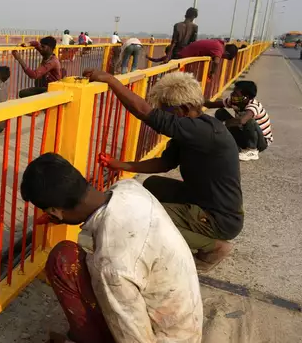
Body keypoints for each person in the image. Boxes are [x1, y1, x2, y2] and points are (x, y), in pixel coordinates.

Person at [21, 153, 203, 343]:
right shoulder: (129, 188)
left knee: (64, 259)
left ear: (55, 212)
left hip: (161, 338)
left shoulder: (112, 266)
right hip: (184, 328)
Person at [82, 68, 243, 272]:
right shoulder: (192, 131)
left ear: (183, 109)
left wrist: (110, 80)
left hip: (218, 219)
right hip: (204, 201)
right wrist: (121, 165)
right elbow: (165, 163)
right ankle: (163, 235)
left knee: (144, 216)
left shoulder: (204, 131)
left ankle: (213, 247)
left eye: (167, 111)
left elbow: (145, 113)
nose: (165, 116)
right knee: (152, 185)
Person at [205, 80, 272, 161]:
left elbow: (242, 121)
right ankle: (230, 144)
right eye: (233, 92)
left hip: (260, 142)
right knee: (220, 112)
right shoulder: (234, 101)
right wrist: (193, 99)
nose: (232, 95)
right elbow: (210, 105)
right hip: (245, 135)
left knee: (249, 121)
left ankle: (252, 151)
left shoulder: (254, 105)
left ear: (246, 97)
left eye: (235, 93)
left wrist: (221, 125)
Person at [148, 39, 238, 78]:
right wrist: (213, 72)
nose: (223, 58)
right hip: (184, 57)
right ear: (227, 53)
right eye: (226, 57)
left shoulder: (218, 44)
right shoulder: (219, 48)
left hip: (185, 54)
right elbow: (216, 62)